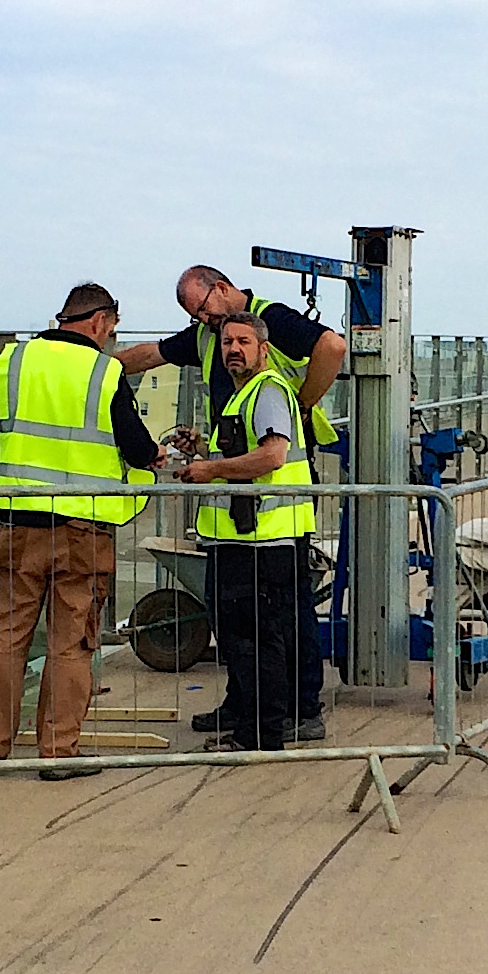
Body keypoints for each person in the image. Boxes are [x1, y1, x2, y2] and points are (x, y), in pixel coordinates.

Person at [117, 266, 348, 741]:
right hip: (244, 513)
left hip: (273, 513)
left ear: (221, 290)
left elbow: (332, 346)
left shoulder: (269, 327)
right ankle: (248, 704)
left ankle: (295, 710)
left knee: (281, 618)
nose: (208, 328)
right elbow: (152, 353)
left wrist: (301, 407)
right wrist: (96, 367)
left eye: (202, 310)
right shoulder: (210, 337)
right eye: (219, 336)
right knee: (244, 625)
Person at [0, 284, 159, 775]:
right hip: (83, 531)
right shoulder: (105, 372)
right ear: (100, 320)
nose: (112, 337)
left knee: (5, 639)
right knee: (71, 644)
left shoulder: (10, 362)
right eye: (113, 327)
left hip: (19, 526)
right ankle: (58, 753)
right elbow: (138, 449)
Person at [176, 313, 314, 751]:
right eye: (226, 342)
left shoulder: (268, 391)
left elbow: (272, 456)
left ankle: (259, 735)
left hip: (261, 542)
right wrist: (202, 448)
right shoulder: (244, 397)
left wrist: (208, 469)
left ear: (263, 349)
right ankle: (251, 725)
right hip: (242, 539)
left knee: (257, 643)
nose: (233, 349)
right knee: (246, 642)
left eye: (242, 341)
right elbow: (243, 453)